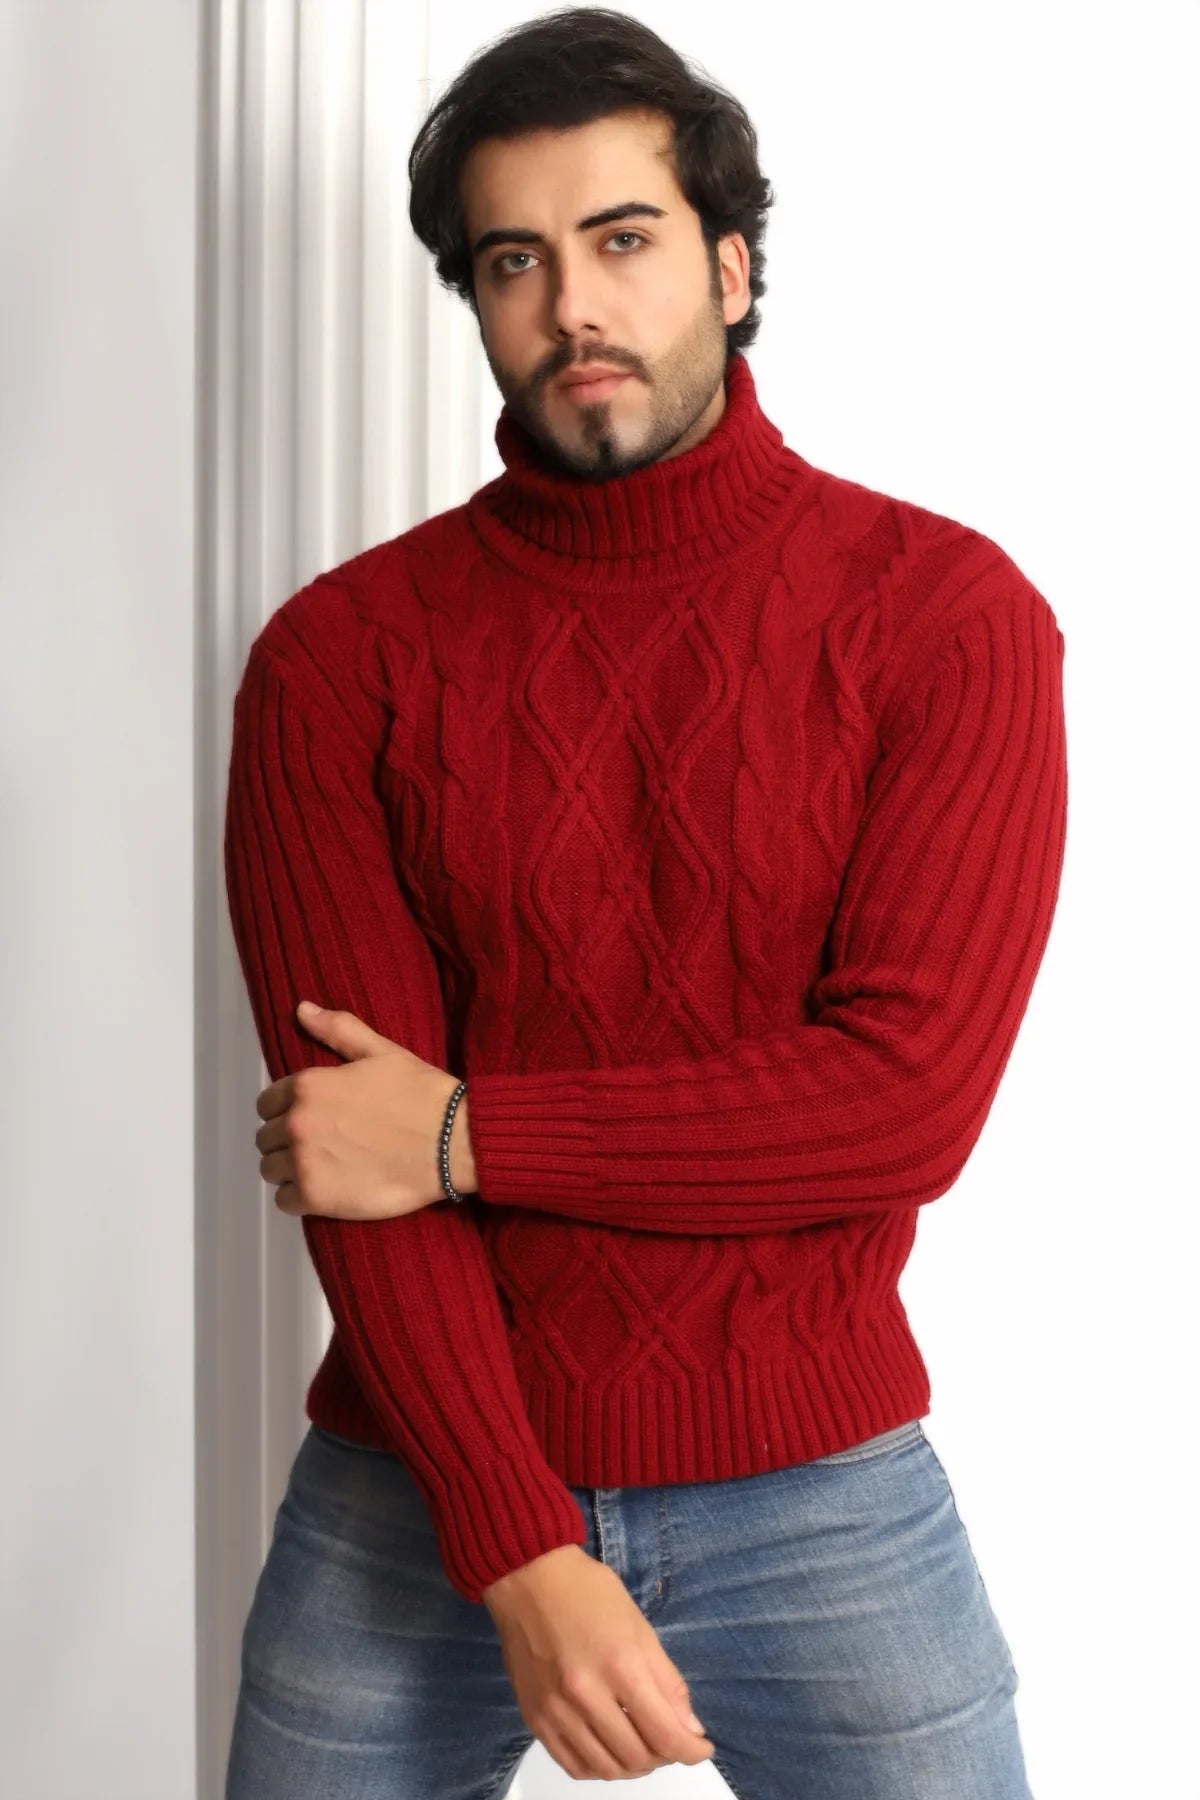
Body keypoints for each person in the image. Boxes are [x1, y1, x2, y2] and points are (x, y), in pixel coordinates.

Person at [221, 8, 1066, 1795]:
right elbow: (352, 1160)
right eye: (514, 261)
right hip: (420, 1473)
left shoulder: (946, 618)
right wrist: (519, 1544)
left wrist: (464, 1133)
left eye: (623, 240)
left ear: (732, 268)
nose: (572, 308)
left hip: (818, 1483)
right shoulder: (337, 660)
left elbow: (902, 1103)